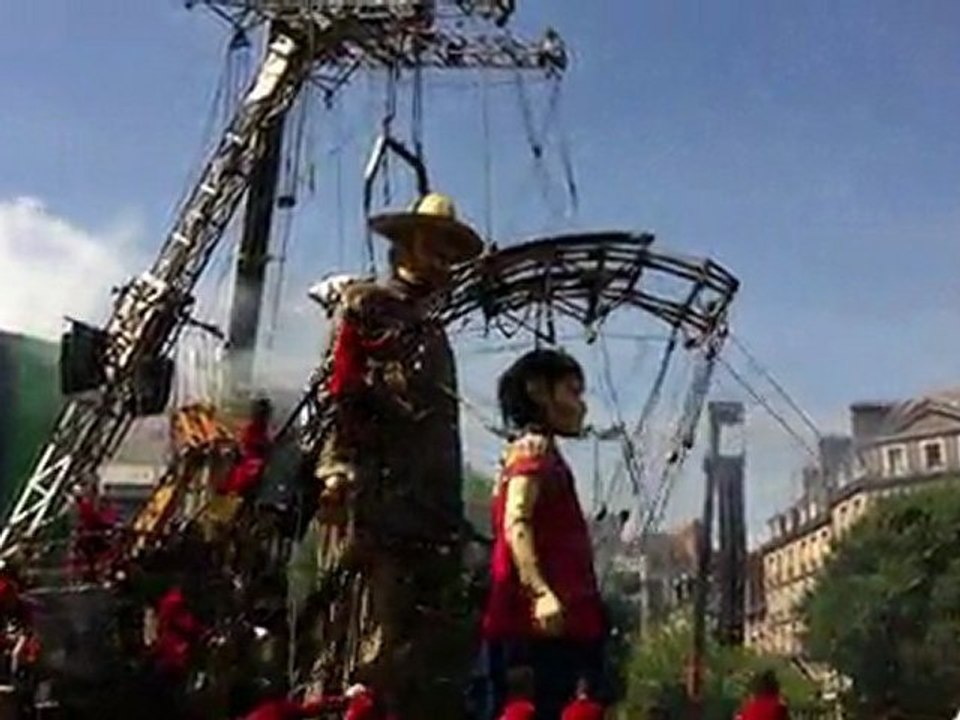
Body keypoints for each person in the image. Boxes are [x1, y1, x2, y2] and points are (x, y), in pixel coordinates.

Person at [308, 192, 484, 718]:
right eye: (435, 247)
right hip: (377, 507)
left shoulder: (432, 325)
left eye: (451, 254)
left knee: (423, 657)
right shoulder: (368, 304)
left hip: (430, 513)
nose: (444, 262)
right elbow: (339, 391)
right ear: (405, 246)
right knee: (368, 647)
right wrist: (336, 470)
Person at [483, 349, 606, 720]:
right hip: (537, 628)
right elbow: (515, 522)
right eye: (572, 392)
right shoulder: (530, 454)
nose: (581, 407)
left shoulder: (542, 455)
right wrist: (540, 591)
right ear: (538, 391)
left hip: (562, 623)